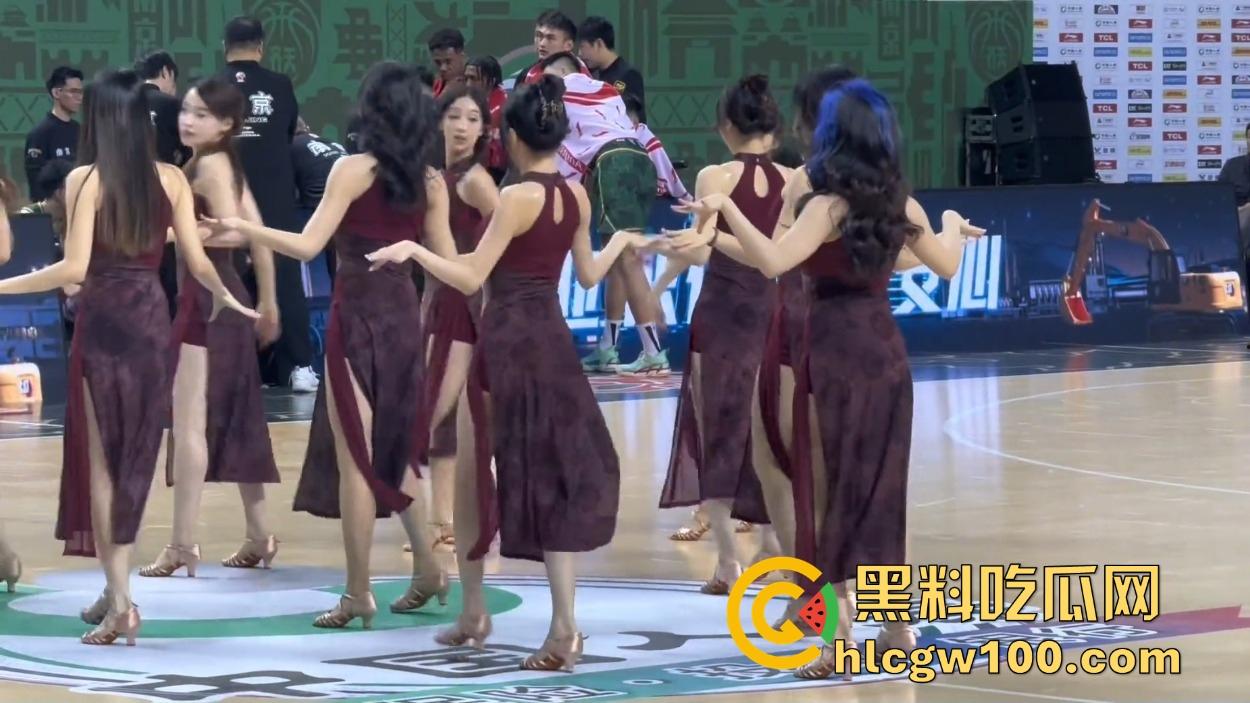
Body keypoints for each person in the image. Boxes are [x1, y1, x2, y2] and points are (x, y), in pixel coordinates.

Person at [665, 78, 984, 679]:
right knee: (881, 494)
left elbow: (773, 261)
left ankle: (838, 641)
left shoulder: (826, 206)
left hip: (830, 355)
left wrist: (724, 211)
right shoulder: (901, 204)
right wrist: (948, 222)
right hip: (886, 358)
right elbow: (946, 265)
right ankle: (896, 627)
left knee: (822, 493)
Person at [364, 75, 650, 672]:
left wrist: (414, 251)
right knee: (549, 478)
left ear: (510, 137)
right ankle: (551, 622)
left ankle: (494, 614)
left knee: (474, 477)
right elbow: (590, 276)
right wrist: (622, 237)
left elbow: (471, 277)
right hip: (553, 344)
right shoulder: (576, 197)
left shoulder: (516, 197)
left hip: (507, 344)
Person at [0, 69, 255, 645]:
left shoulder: (84, 179)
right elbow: (197, 258)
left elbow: (73, 270)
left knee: (102, 465)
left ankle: (121, 603)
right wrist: (225, 295)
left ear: (96, 120)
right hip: (150, 321)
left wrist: (3, 287)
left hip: (104, 322)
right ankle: (114, 590)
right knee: (136, 457)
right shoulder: (171, 177)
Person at [201, 61, 455, 630]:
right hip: (404, 322)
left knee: (357, 462)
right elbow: (450, 268)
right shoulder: (432, 182)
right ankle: (429, 570)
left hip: (357, 321)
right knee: (396, 452)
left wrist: (245, 229)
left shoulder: (352, 168)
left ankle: (359, 591)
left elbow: (307, 244)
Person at [138, 75, 282, 580]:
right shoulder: (217, 162)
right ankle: (259, 535)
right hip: (224, 299)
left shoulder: (210, 167)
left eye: (201, 114)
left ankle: (182, 543)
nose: (188, 120)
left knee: (190, 423)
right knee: (237, 416)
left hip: (208, 301)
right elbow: (258, 232)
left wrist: (170, 235)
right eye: (186, 110)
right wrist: (267, 301)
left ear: (226, 124)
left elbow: (234, 232)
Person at [656, 76, 788, 593]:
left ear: (726, 127)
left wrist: (659, 278)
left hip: (722, 314)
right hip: (771, 312)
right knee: (767, 431)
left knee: (716, 432)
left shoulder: (716, 174)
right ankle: (775, 547)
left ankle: (729, 561)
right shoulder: (792, 179)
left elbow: (700, 245)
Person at [406, 85, 497, 562]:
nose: (462, 126)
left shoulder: (476, 181)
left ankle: (474, 517)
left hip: (470, 306)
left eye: (473, 119)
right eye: (455, 116)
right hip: (440, 302)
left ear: (484, 131)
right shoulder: (436, 177)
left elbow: (506, 240)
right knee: (443, 425)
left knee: (443, 415)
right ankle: (441, 521)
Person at [539, 52, 668, 374]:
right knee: (617, 260)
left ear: (566, 72)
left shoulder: (563, 90)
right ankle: (608, 347)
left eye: (550, 76)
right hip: (636, 160)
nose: (546, 84)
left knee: (626, 259)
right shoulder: (608, 93)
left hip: (613, 163)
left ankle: (654, 353)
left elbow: (557, 150)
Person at [221, 15, 318, 394]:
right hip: (275, 196)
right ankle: (299, 367)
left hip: (226, 197)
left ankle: (235, 369)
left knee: (228, 277)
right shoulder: (280, 85)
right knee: (285, 280)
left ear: (225, 47)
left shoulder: (211, 86)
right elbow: (292, 129)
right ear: (261, 47)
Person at [136, 49, 190, 320]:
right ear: (167, 73)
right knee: (165, 271)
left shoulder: (120, 104)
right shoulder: (172, 105)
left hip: (122, 199)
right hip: (163, 199)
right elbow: (190, 152)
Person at [292, 117, 348, 288]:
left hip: (322, 209)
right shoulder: (332, 143)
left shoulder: (289, 147)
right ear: (307, 128)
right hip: (353, 206)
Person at [25, 66, 83, 201]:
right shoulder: (40, 133)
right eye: (73, 91)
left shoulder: (81, 131)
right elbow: (36, 183)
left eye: (81, 92)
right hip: (53, 208)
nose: (79, 98)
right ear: (56, 93)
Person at [578, 17, 646, 123]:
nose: (580, 53)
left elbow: (636, 120)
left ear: (599, 44)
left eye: (582, 47)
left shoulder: (629, 74)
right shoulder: (590, 76)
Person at [466, 56, 508, 183]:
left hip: (497, 174)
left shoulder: (505, 106)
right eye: (466, 78)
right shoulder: (466, 101)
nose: (468, 84)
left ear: (491, 81)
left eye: (473, 79)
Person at [512, 9, 577, 86]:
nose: (542, 43)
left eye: (550, 38)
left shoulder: (582, 76)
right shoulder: (524, 76)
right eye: (539, 36)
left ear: (568, 45)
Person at [429, 28, 468, 96]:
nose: (443, 68)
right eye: (438, 62)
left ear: (462, 57)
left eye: (448, 61)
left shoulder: (477, 84)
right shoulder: (433, 86)